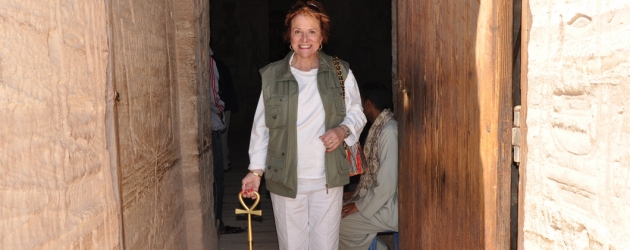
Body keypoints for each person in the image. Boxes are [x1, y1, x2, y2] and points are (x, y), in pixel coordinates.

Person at [240, 1, 367, 249]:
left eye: (312, 31)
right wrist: (256, 171)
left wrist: (342, 130)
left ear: (322, 38)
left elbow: (357, 111)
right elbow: (262, 128)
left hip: (327, 178)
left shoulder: (340, 71)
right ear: (289, 36)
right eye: (298, 31)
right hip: (286, 178)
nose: (304, 38)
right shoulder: (273, 75)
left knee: (325, 245)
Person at [339, 83, 398, 250]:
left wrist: (360, 205)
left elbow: (387, 185)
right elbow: (375, 175)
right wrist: (358, 193)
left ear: (368, 104)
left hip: (390, 206)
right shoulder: (382, 128)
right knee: (334, 213)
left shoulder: (389, 131)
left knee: (339, 224)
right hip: (382, 201)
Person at [213, 56, 239, 172]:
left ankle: (223, 164)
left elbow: (221, 89)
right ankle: (222, 164)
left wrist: (218, 108)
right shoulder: (218, 64)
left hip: (222, 106)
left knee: (221, 136)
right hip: (221, 105)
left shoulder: (216, 65)